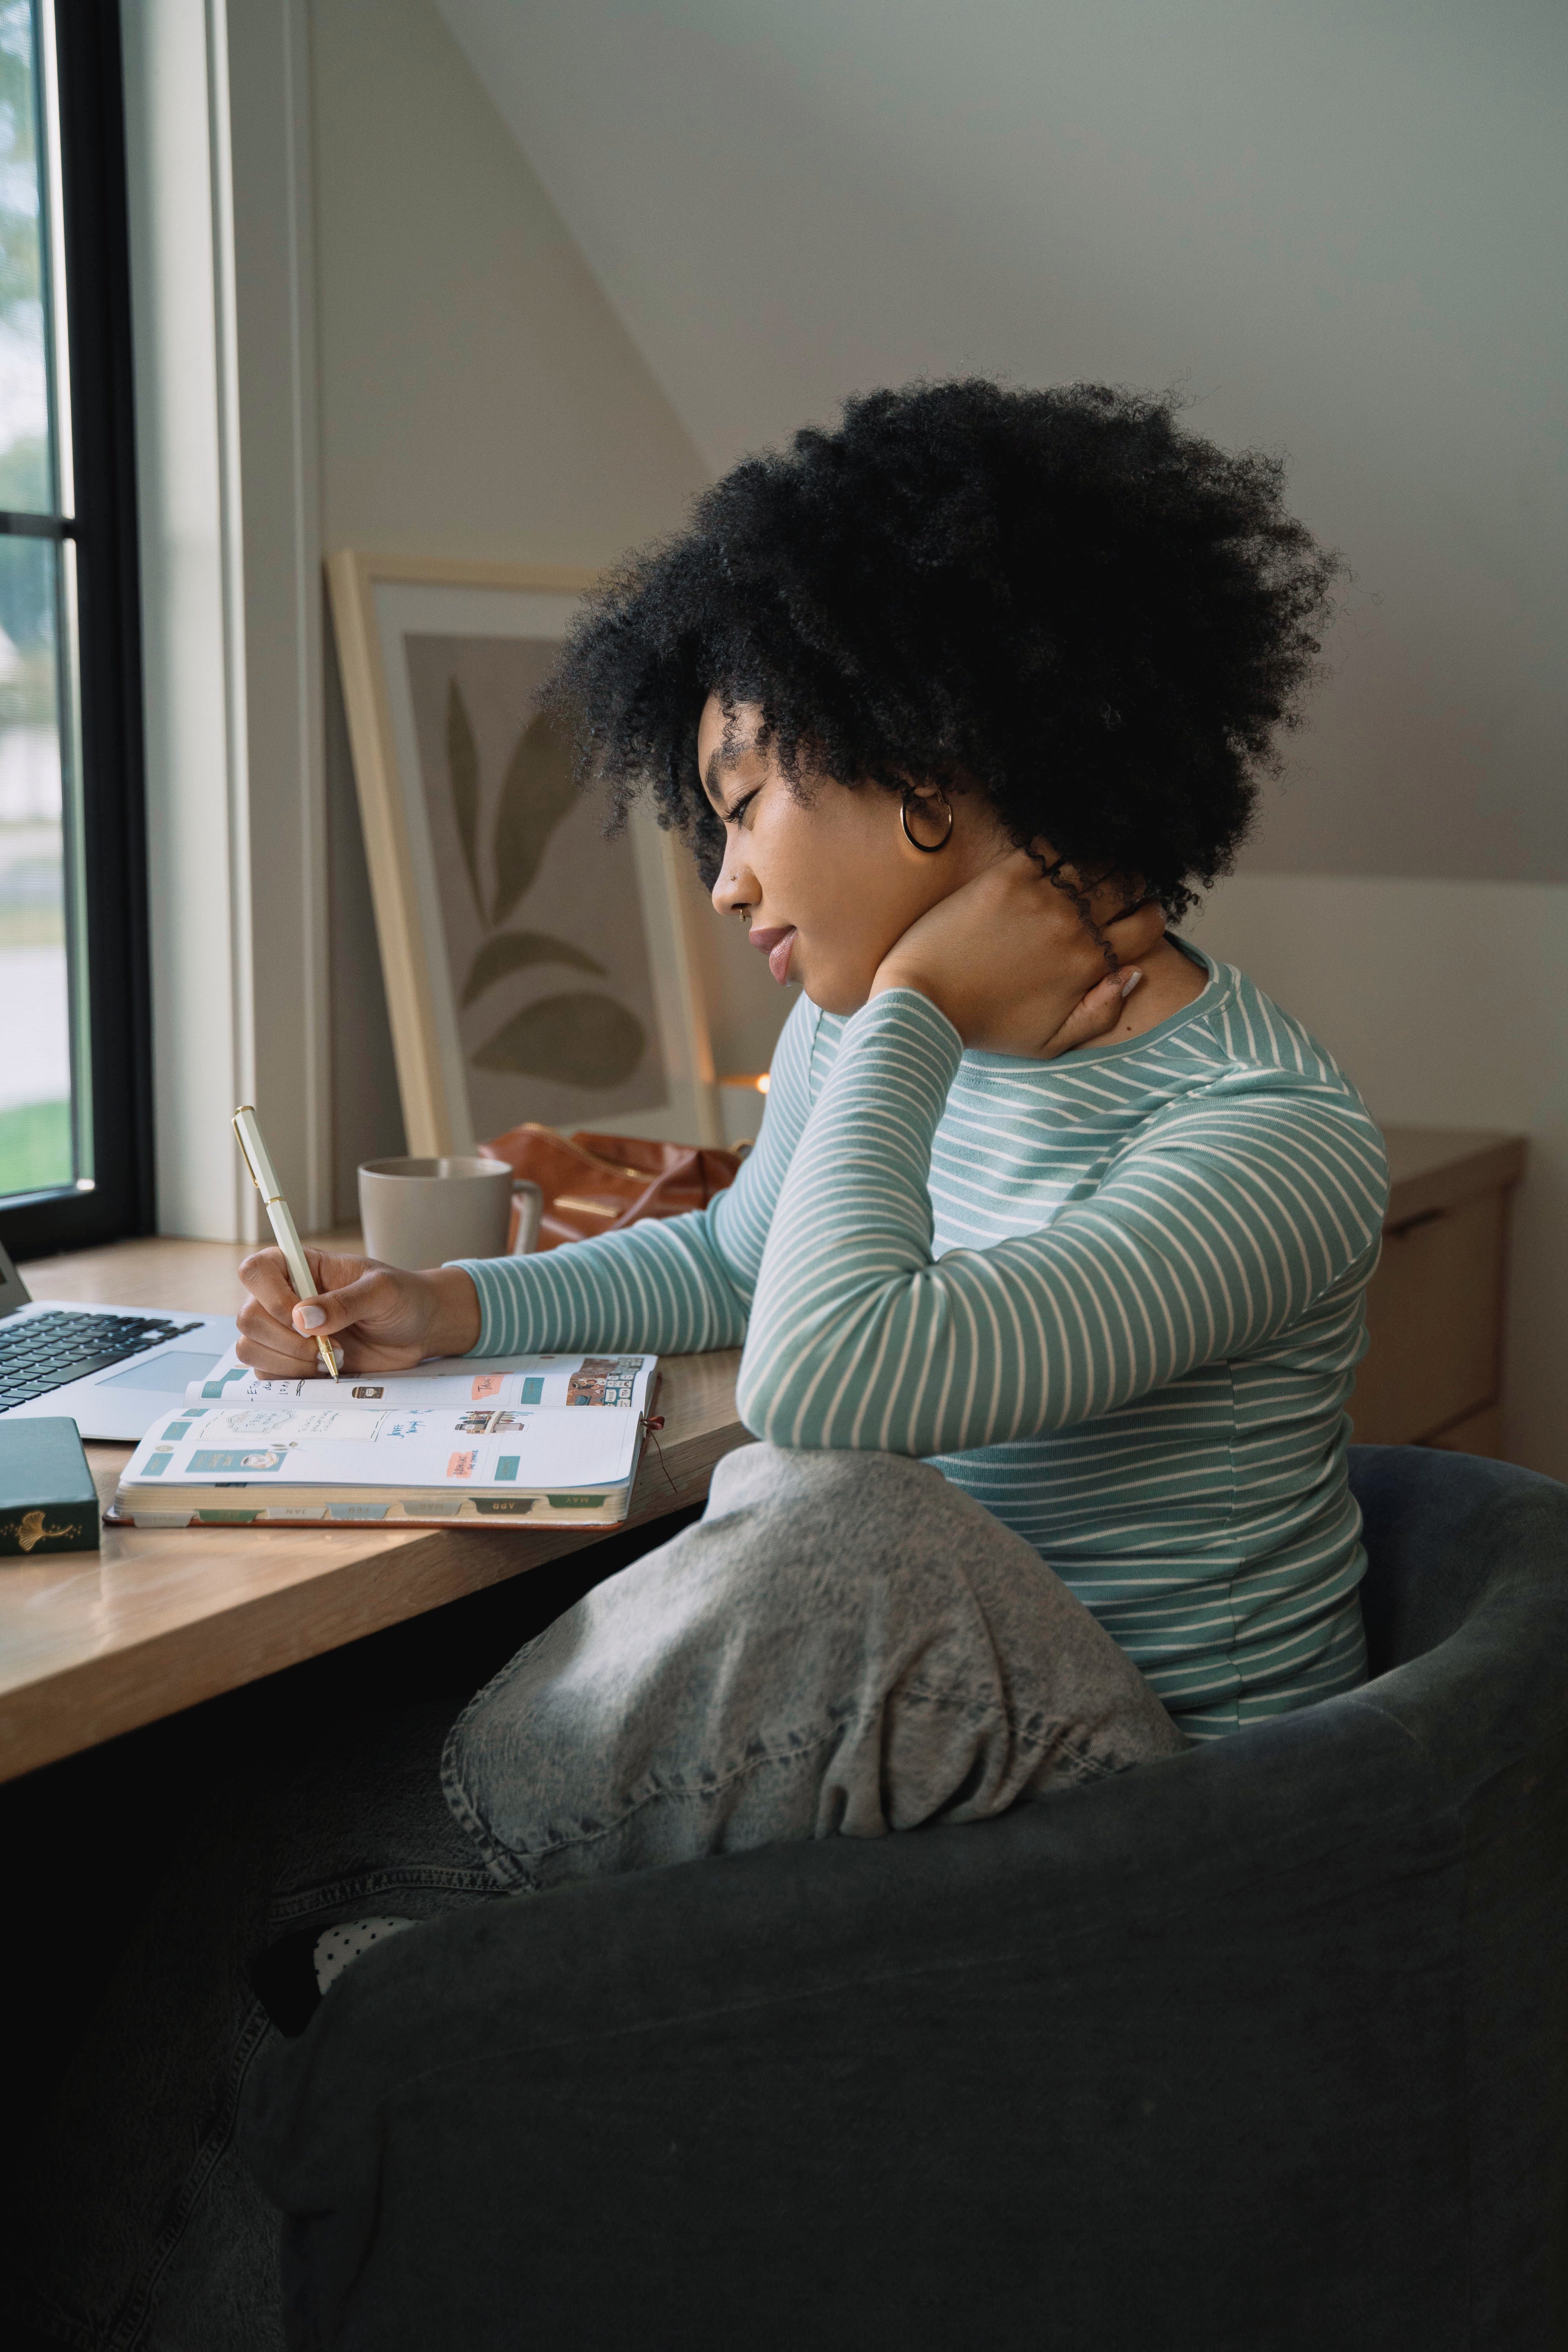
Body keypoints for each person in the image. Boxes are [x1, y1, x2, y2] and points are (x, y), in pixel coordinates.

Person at [18, 380, 1387, 2350]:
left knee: (831, 1512)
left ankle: (399, 1887)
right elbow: (752, 1259)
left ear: (930, 759)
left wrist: (910, 1005)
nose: (726, 876)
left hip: (1158, 1836)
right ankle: (378, 1906)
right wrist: (457, 1309)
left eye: (746, 803)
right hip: (892, 1734)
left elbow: (831, 1378)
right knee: (213, 1844)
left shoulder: (1266, 1139)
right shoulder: (857, 1031)